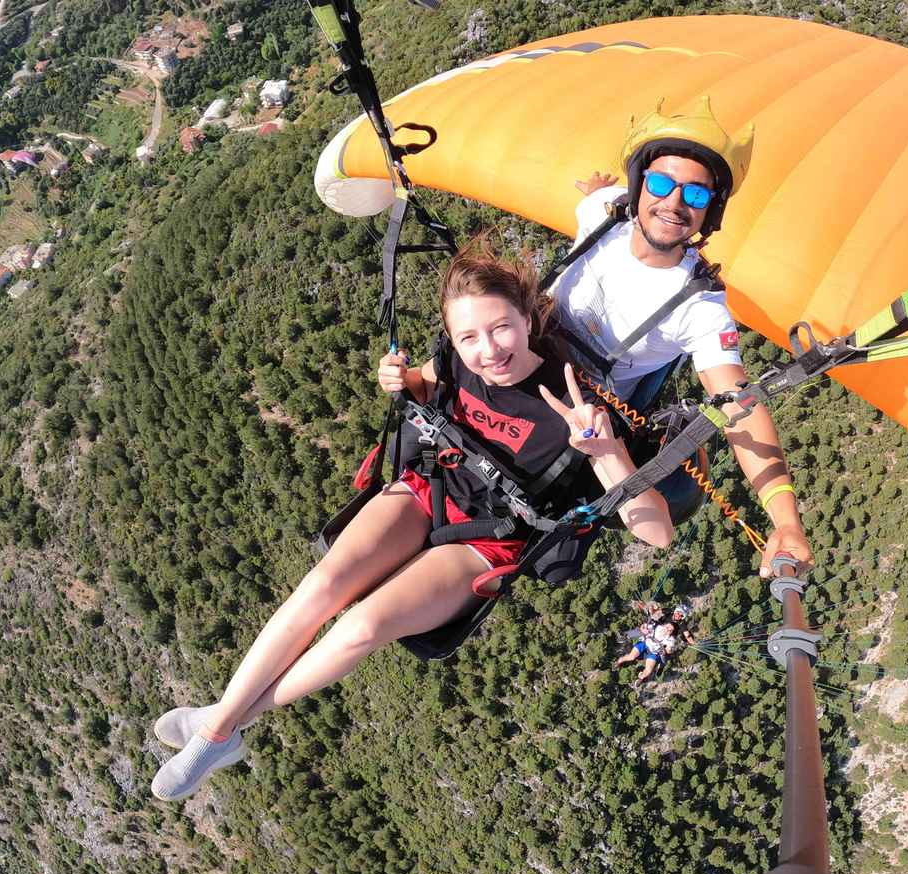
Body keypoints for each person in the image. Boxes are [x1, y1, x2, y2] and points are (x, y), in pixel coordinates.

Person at [150, 242, 675, 801]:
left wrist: (605, 450)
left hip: (489, 537)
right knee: (324, 585)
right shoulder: (453, 362)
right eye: (468, 337)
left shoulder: (577, 406)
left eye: (501, 329)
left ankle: (217, 729)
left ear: (528, 317)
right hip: (431, 485)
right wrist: (399, 380)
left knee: (363, 627)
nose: (488, 351)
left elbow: (657, 533)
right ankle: (221, 726)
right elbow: (425, 383)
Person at [552, 94, 813, 578]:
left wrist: (785, 521)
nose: (674, 203)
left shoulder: (699, 305)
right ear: (638, 186)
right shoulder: (599, 217)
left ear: (710, 211)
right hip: (516, 356)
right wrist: (596, 188)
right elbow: (596, 200)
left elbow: (737, 406)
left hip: (581, 412)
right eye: (660, 183)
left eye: (695, 195)